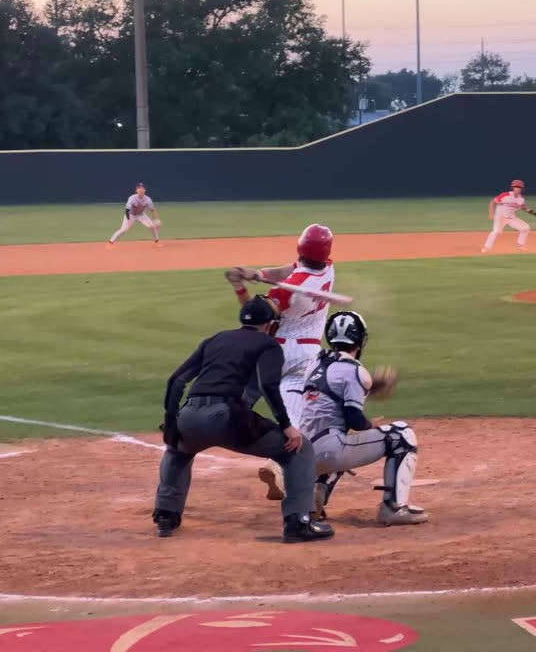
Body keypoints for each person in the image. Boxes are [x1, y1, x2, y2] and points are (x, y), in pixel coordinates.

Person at [153, 296, 333, 544]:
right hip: (226, 418)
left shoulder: (215, 339)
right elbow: (268, 386)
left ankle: (166, 515)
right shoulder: (268, 345)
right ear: (271, 324)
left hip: (189, 414)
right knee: (299, 450)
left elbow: (176, 381)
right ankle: (297, 522)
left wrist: (171, 422)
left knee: (177, 449)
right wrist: (287, 426)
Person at [258, 311, 428, 525]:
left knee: (337, 436)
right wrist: (371, 424)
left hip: (304, 454)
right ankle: (393, 507)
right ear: (360, 340)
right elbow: (354, 419)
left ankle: (315, 495)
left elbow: (330, 388)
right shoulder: (355, 370)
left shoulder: (315, 361)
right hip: (330, 451)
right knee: (402, 435)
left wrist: (370, 386)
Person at [225, 224, 337, 430]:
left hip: (279, 352)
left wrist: (239, 287)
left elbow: (255, 315)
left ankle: (227, 424)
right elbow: (289, 270)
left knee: (245, 391)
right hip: (309, 353)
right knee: (292, 415)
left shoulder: (287, 293)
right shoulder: (329, 269)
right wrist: (257, 274)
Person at [482, 179, 536, 253]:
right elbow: (493, 202)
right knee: (496, 231)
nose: (517, 188)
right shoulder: (505, 195)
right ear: (512, 187)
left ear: (521, 189)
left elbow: (524, 208)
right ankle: (487, 247)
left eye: (519, 187)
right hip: (501, 217)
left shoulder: (520, 199)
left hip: (512, 218)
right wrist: (491, 214)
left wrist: (533, 212)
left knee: (525, 228)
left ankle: (520, 245)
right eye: (516, 187)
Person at [107, 182, 163, 247]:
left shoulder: (148, 200)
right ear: (136, 190)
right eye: (139, 188)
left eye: (142, 188)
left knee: (152, 227)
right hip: (130, 215)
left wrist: (156, 219)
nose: (141, 190)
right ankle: (110, 242)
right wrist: (128, 219)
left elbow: (152, 210)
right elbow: (127, 210)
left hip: (141, 215)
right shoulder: (132, 198)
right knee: (123, 229)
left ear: (145, 190)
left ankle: (157, 242)